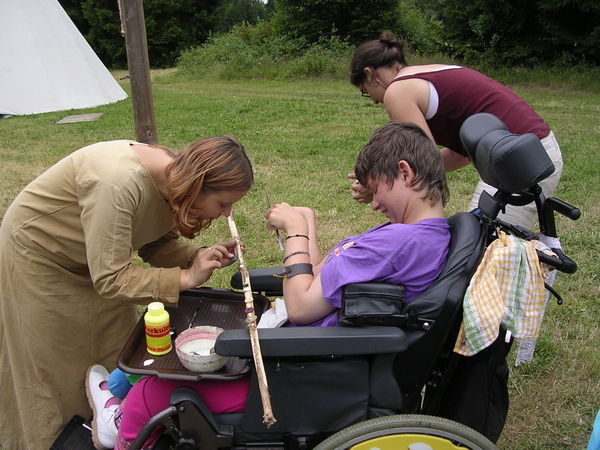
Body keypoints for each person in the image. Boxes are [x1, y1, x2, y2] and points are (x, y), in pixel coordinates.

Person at [87, 121, 452, 449]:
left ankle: (116, 427)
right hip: (311, 355)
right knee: (181, 332)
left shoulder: (399, 242)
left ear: (404, 172)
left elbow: (302, 306)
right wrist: (307, 221)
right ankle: (115, 390)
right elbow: (319, 275)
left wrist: (295, 231)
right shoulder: (414, 237)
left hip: (300, 369)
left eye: (376, 190)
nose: (374, 204)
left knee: (152, 392)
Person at [0, 135, 254, 450]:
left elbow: (155, 244)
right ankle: (57, 440)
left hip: (99, 263)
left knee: (117, 352)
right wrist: (185, 278)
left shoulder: (173, 180)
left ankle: (111, 425)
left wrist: (197, 257)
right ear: (198, 184)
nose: (227, 213)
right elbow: (110, 279)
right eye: (223, 203)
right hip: (40, 257)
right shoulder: (116, 184)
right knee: (53, 372)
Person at [348, 30, 563, 230]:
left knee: (487, 244)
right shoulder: (424, 73)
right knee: (483, 236)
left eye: (365, 91)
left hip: (518, 160)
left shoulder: (397, 91)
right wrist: (384, 178)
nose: (374, 101)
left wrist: (377, 185)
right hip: (532, 150)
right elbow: (455, 157)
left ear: (370, 74)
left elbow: (423, 164)